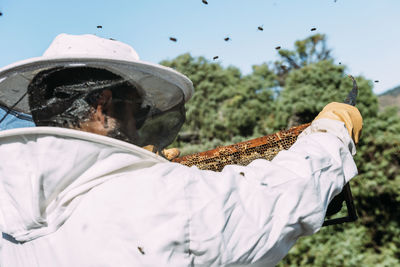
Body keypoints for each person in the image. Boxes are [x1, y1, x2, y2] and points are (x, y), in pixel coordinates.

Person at [0, 34, 362, 267]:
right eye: (137, 110)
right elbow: (274, 202)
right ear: (102, 104)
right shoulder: (163, 200)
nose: (140, 125)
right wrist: (332, 134)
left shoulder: (7, 203)